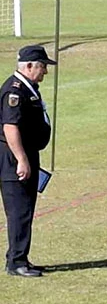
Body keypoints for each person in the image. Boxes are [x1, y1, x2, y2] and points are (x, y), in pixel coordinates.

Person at [1, 45, 55, 278]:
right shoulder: (15, 91)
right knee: (19, 210)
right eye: (42, 66)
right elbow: (10, 127)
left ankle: (20, 257)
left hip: (25, 154)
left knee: (25, 209)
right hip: (14, 158)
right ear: (29, 66)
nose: (45, 72)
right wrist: (22, 159)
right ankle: (16, 262)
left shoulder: (28, 87)